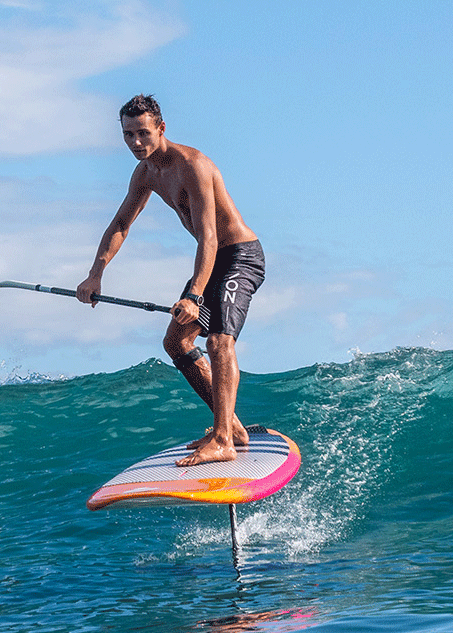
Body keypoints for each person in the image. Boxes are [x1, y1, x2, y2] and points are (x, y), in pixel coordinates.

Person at [77, 95, 266, 467]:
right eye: (128, 135)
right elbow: (120, 225)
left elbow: (209, 237)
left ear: (161, 129)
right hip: (212, 261)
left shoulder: (192, 165)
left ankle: (224, 439)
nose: (135, 143)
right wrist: (95, 274)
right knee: (176, 342)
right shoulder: (145, 173)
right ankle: (233, 428)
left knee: (218, 340)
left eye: (143, 133)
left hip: (239, 256)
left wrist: (194, 295)